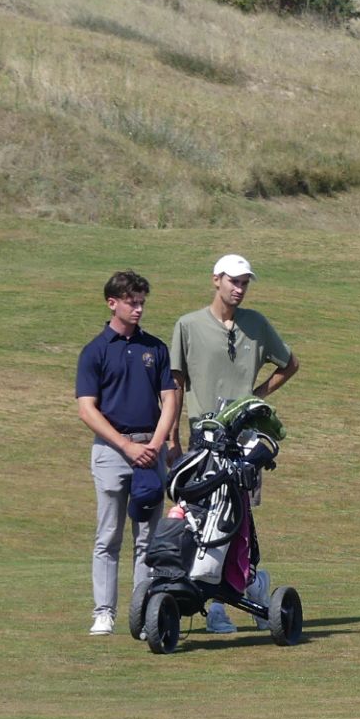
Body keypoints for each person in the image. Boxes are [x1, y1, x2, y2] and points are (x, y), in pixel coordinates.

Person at [169, 253, 300, 633]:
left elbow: (289, 364)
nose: (239, 289)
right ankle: (239, 591)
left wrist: (255, 398)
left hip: (244, 439)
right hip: (202, 437)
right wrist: (172, 438)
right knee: (202, 517)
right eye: (233, 281)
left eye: (244, 283)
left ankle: (226, 600)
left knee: (237, 518)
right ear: (216, 280)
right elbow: (175, 384)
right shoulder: (188, 325)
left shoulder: (256, 324)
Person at [75, 271, 180, 636]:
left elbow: (170, 400)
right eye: (132, 302)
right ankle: (104, 612)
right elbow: (87, 409)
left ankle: (145, 612)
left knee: (148, 540)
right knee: (108, 537)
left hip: (150, 451)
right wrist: (125, 445)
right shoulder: (95, 351)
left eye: (141, 303)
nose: (138, 309)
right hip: (111, 452)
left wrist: (155, 444)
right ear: (112, 303)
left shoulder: (156, 348)